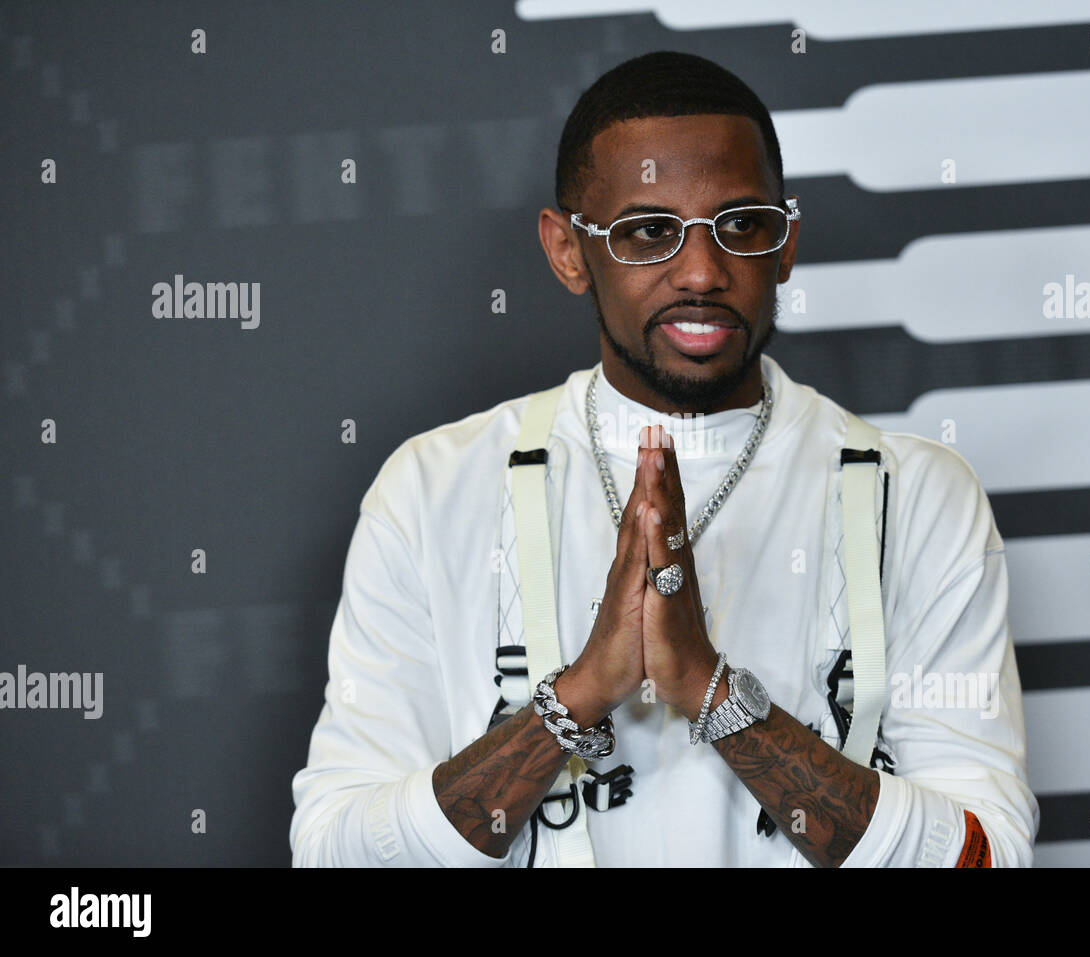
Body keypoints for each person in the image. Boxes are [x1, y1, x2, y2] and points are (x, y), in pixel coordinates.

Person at [289, 50, 1039, 867]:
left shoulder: (919, 494)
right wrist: (579, 694)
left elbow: (986, 857)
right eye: (649, 232)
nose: (703, 272)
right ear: (568, 250)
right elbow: (335, 854)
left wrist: (712, 692)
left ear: (785, 244)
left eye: (741, 224)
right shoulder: (434, 488)